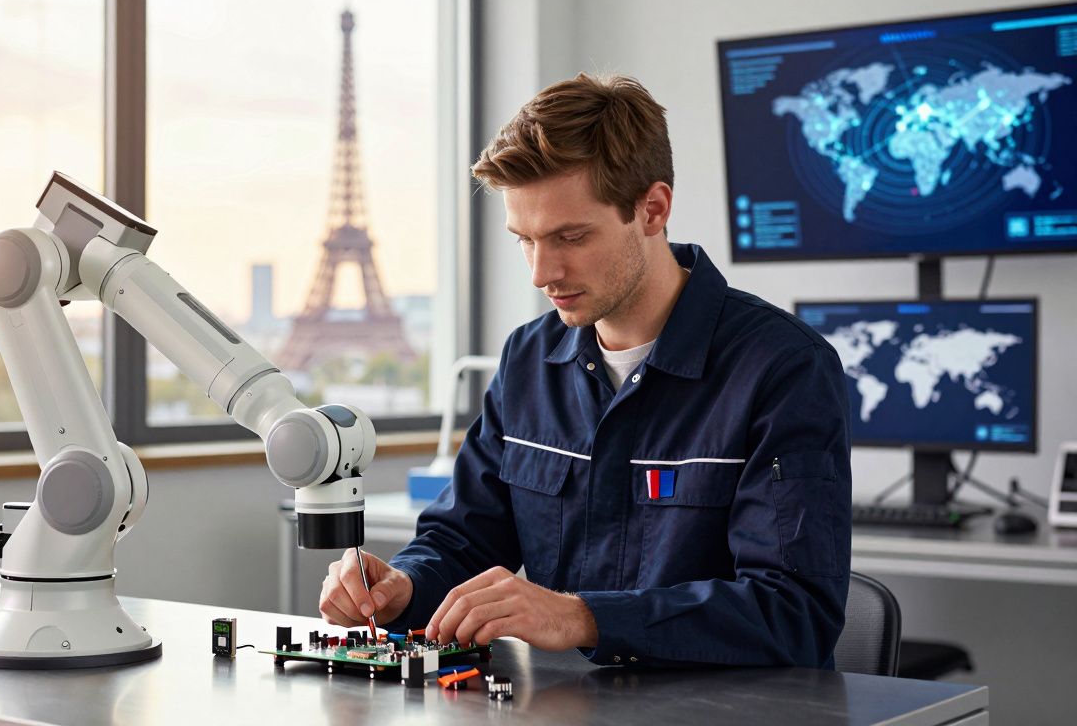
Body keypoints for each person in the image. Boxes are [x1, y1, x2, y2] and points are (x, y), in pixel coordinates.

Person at [318, 73, 852, 668]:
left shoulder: (784, 368)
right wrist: (405, 586)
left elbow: (795, 613)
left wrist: (581, 616)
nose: (541, 272)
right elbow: (462, 539)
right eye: (524, 239)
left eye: (570, 236)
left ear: (652, 209)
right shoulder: (527, 360)